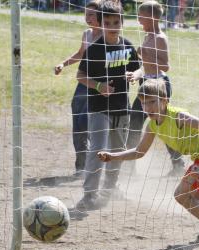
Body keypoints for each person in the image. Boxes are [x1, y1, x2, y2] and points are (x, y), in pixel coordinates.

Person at [98, 79, 199, 243]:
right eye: (144, 103)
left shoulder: (177, 116)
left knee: (181, 195)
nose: (148, 108)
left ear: (165, 100)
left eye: (153, 102)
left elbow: (197, 122)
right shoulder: (152, 126)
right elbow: (140, 151)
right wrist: (113, 156)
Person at [75, 0, 141, 211]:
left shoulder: (128, 46)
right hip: (99, 109)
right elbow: (80, 76)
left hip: (122, 108)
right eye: (108, 22)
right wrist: (99, 85)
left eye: (116, 22)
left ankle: (110, 190)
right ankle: (88, 195)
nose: (113, 26)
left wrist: (135, 75)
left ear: (122, 22)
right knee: (98, 150)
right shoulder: (94, 49)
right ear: (100, 24)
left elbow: (140, 69)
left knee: (117, 152)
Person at [126, 0, 185, 176]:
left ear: (152, 18)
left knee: (161, 124)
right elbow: (146, 66)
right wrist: (136, 74)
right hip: (146, 83)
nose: (138, 20)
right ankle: (130, 167)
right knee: (134, 122)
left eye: (141, 17)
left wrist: (145, 55)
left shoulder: (160, 38)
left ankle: (178, 164)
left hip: (159, 85)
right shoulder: (147, 36)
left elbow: (165, 66)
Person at [55, 1, 102, 175]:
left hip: (101, 87)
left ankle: (99, 164)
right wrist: (63, 64)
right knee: (79, 124)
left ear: (101, 15)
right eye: (86, 13)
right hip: (84, 84)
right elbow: (81, 53)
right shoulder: (87, 34)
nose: (87, 17)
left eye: (91, 14)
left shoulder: (108, 37)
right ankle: (81, 167)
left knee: (97, 126)